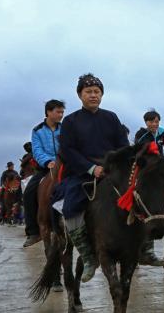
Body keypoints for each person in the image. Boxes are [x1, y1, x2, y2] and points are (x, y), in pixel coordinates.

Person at [54, 73, 128, 282]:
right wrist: (90, 168)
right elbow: (68, 151)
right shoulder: (70, 121)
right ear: (80, 95)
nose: (93, 95)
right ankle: (88, 256)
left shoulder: (111, 117)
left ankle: (144, 248)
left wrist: (116, 165)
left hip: (112, 171)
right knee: (69, 207)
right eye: (88, 92)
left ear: (102, 95)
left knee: (139, 196)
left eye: (97, 92)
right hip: (82, 173)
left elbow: (123, 145)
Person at [133, 110, 164, 265]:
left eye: (156, 121)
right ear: (146, 122)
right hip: (145, 166)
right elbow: (138, 151)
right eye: (151, 122)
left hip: (160, 165)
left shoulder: (162, 133)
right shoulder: (141, 134)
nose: (154, 124)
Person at [23, 99, 65, 247]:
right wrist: (48, 162)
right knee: (28, 193)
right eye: (58, 112)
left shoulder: (65, 128)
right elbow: (37, 150)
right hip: (45, 168)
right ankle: (33, 232)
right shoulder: (37, 130)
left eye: (62, 112)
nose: (61, 115)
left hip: (65, 166)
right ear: (48, 112)